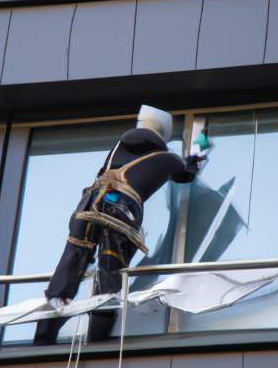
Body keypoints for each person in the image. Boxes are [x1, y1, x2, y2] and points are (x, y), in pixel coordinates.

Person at [33, 105, 201, 345]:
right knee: (108, 280)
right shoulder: (169, 160)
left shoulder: (117, 149)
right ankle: (98, 343)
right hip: (120, 212)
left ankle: (42, 337)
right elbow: (186, 174)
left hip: (88, 206)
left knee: (68, 271)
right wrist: (194, 160)